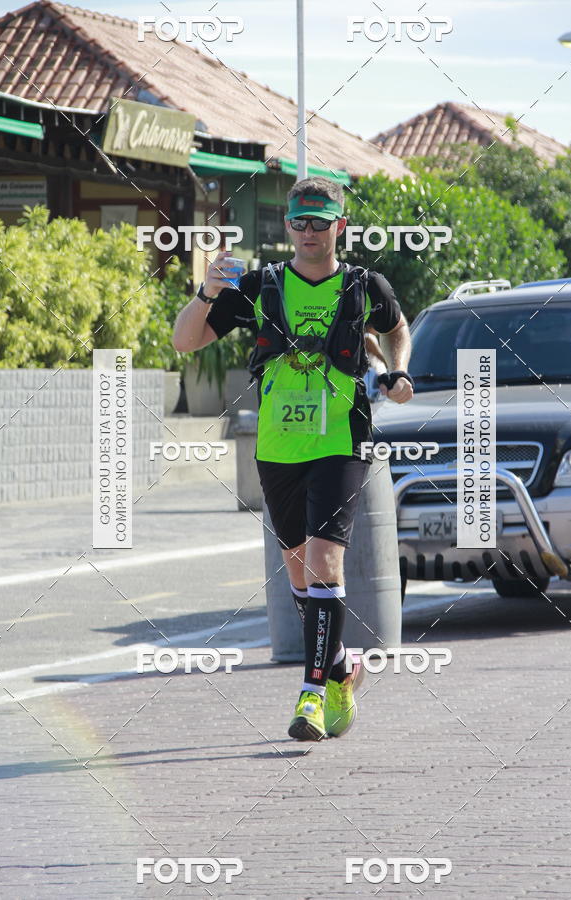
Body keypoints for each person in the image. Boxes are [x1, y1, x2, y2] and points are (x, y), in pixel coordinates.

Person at [173, 176, 413, 741]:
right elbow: (185, 341)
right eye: (299, 222)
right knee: (301, 574)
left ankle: (311, 695)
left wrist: (398, 371)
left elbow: (397, 328)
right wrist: (207, 291)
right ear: (288, 226)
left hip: (341, 443)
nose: (309, 232)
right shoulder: (260, 286)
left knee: (326, 564)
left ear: (340, 226)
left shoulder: (363, 286)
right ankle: (340, 668)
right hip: (278, 448)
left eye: (320, 222)